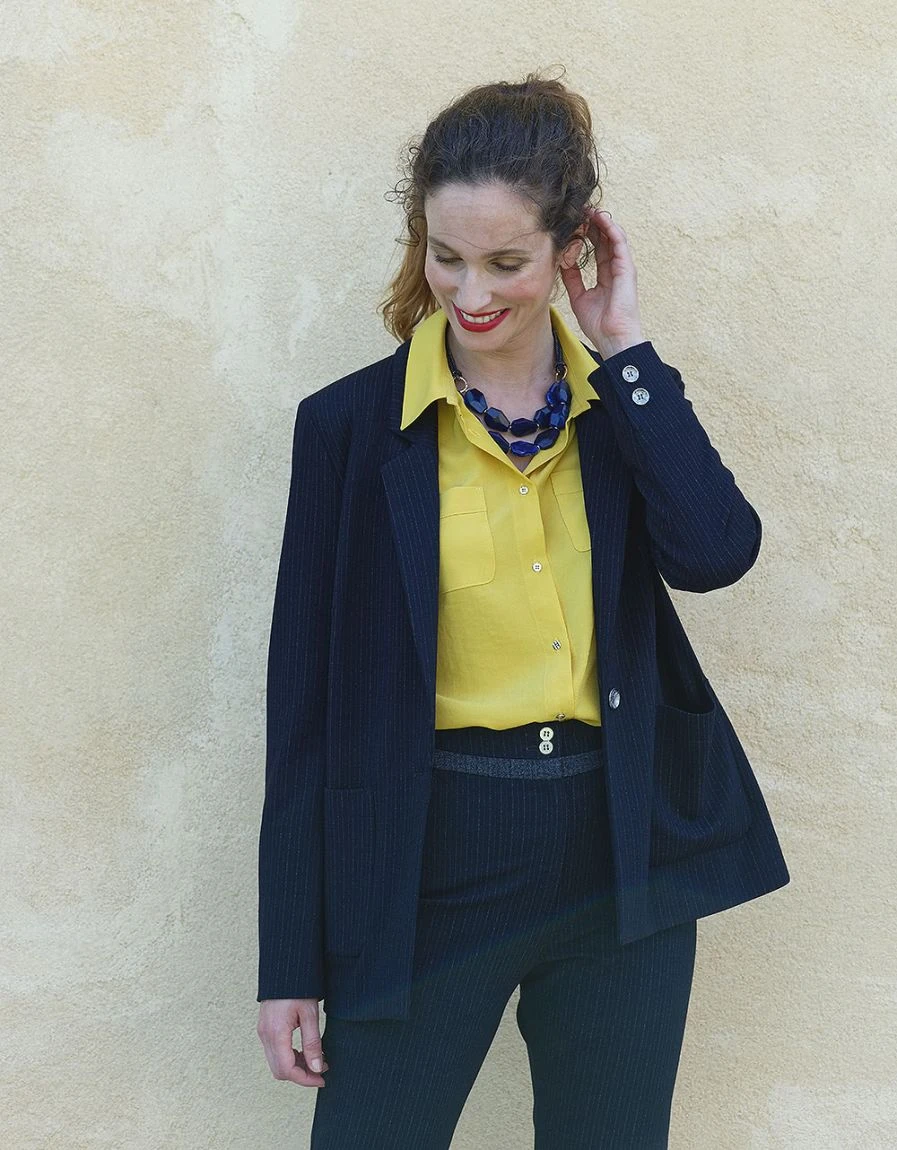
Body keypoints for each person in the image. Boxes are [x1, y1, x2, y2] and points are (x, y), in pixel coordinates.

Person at [255, 71, 790, 1149]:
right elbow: (302, 708)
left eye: (506, 262)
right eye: (445, 256)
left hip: (617, 847)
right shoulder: (349, 429)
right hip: (425, 854)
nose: (471, 291)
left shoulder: (618, 411)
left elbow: (716, 554)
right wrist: (289, 961)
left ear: (569, 249)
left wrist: (623, 350)